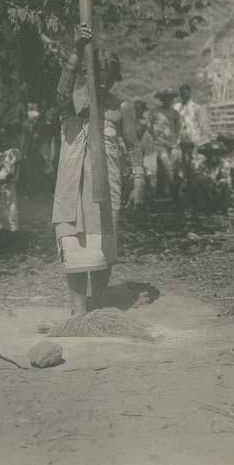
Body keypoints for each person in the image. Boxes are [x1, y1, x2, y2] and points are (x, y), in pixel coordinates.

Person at [52, 24, 145, 316]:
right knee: (74, 245)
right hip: (71, 185)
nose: (101, 86)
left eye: (107, 81)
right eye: (96, 79)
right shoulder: (73, 101)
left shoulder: (121, 108)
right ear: (86, 75)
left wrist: (140, 180)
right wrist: (78, 48)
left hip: (106, 186)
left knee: (102, 245)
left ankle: (99, 303)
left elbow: (133, 145)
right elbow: (60, 91)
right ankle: (79, 312)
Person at [0, 125, 22, 246]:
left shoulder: (14, 152)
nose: (2, 140)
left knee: (11, 213)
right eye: (0, 137)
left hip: (7, 185)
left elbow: (13, 172)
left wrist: (1, 183)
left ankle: (14, 243)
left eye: (4, 137)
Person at [174, 84, 211, 179]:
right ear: (180, 94)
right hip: (181, 140)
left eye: (186, 93)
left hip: (194, 140)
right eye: (182, 93)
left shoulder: (196, 108)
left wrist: (203, 140)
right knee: (181, 165)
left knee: (193, 164)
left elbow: (203, 125)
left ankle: (193, 184)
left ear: (190, 93)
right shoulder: (177, 108)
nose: (184, 95)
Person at [150, 89, 181, 199]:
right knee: (164, 164)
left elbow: (178, 129)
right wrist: (157, 137)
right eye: (165, 98)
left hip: (171, 143)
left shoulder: (175, 113)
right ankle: (169, 190)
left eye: (170, 98)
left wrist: (175, 142)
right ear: (162, 99)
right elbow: (149, 126)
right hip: (159, 143)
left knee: (173, 166)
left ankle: (167, 191)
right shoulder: (155, 112)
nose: (168, 100)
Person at [190, 140, 231, 212]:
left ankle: (223, 207)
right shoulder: (203, 165)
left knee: (225, 183)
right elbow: (200, 175)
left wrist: (217, 181)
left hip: (219, 188)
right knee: (197, 182)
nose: (213, 156)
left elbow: (225, 176)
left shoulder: (224, 164)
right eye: (211, 154)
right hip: (206, 187)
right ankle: (201, 206)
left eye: (216, 154)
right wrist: (207, 178)